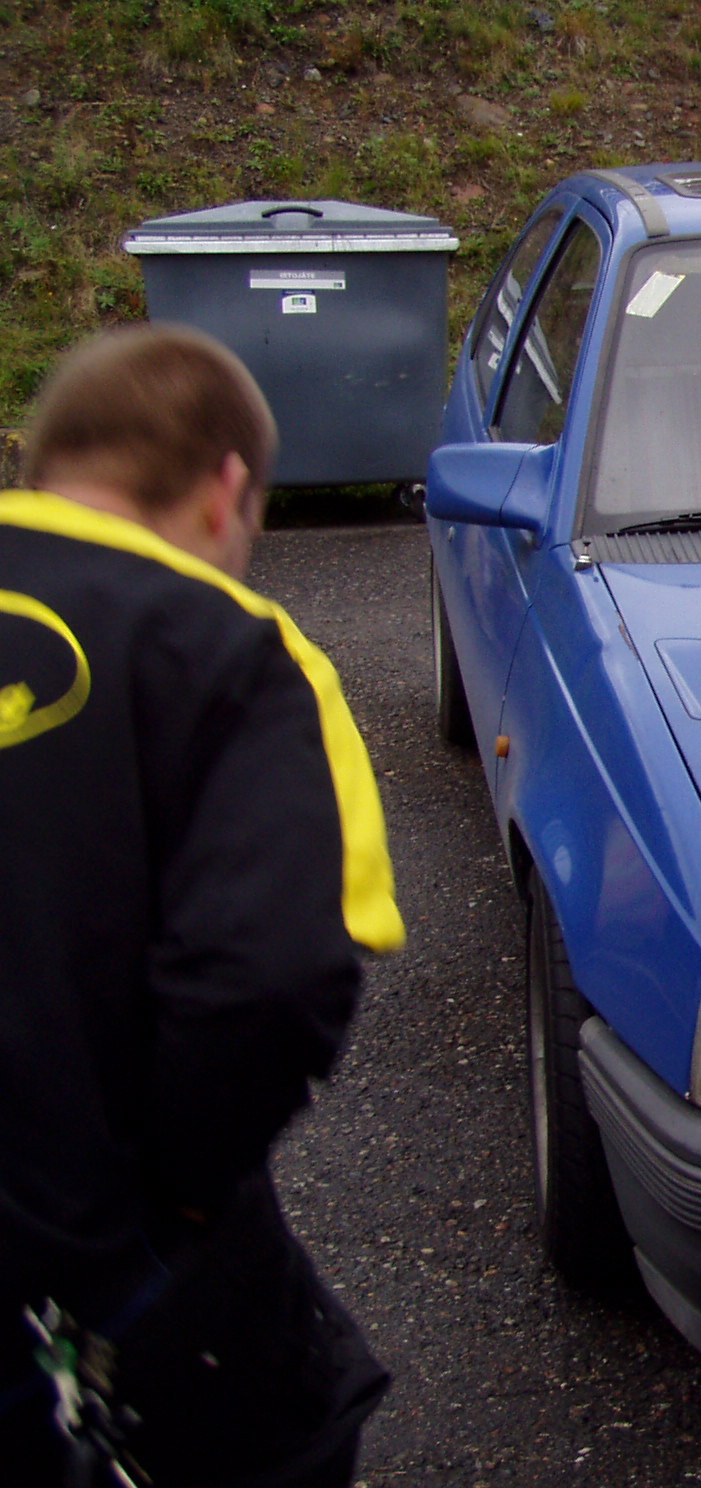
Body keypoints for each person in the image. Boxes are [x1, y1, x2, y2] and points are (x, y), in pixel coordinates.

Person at [0, 325, 405, 1486]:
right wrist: (173, 1210)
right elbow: (271, 979)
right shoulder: (239, 652)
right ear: (228, 488)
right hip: (94, 1278)